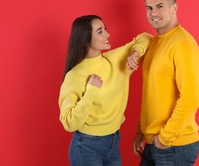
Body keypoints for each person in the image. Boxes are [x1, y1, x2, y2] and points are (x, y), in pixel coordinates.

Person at [59, 14, 152, 166]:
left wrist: (135, 53)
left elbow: (147, 38)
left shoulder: (114, 60)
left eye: (105, 29)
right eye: (100, 31)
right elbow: (69, 123)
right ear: (86, 38)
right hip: (86, 147)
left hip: (113, 141)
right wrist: (90, 92)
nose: (107, 34)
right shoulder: (75, 75)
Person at [132, 0, 199, 165]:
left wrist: (165, 138)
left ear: (174, 8)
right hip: (153, 141)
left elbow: (191, 98)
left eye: (159, 6)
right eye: (149, 8)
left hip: (174, 144)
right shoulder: (154, 42)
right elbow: (152, 92)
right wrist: (141, 130)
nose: (153, 12)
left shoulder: (183, 44)